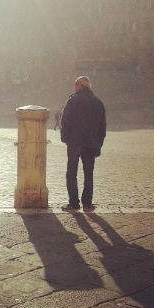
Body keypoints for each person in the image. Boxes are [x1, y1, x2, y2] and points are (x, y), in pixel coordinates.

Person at [60, 75, 106, 212]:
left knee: (71, 173)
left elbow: (65, 121)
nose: (74, 87)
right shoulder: (98, 102)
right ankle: (87, 204)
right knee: (88, 174)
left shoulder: (73, 101)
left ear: (80, 86)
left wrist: (65, 138)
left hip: (75, 143)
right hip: (91, 144)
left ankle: (74, 203)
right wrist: (99, 143)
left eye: (76, 84)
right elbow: (102, 127)